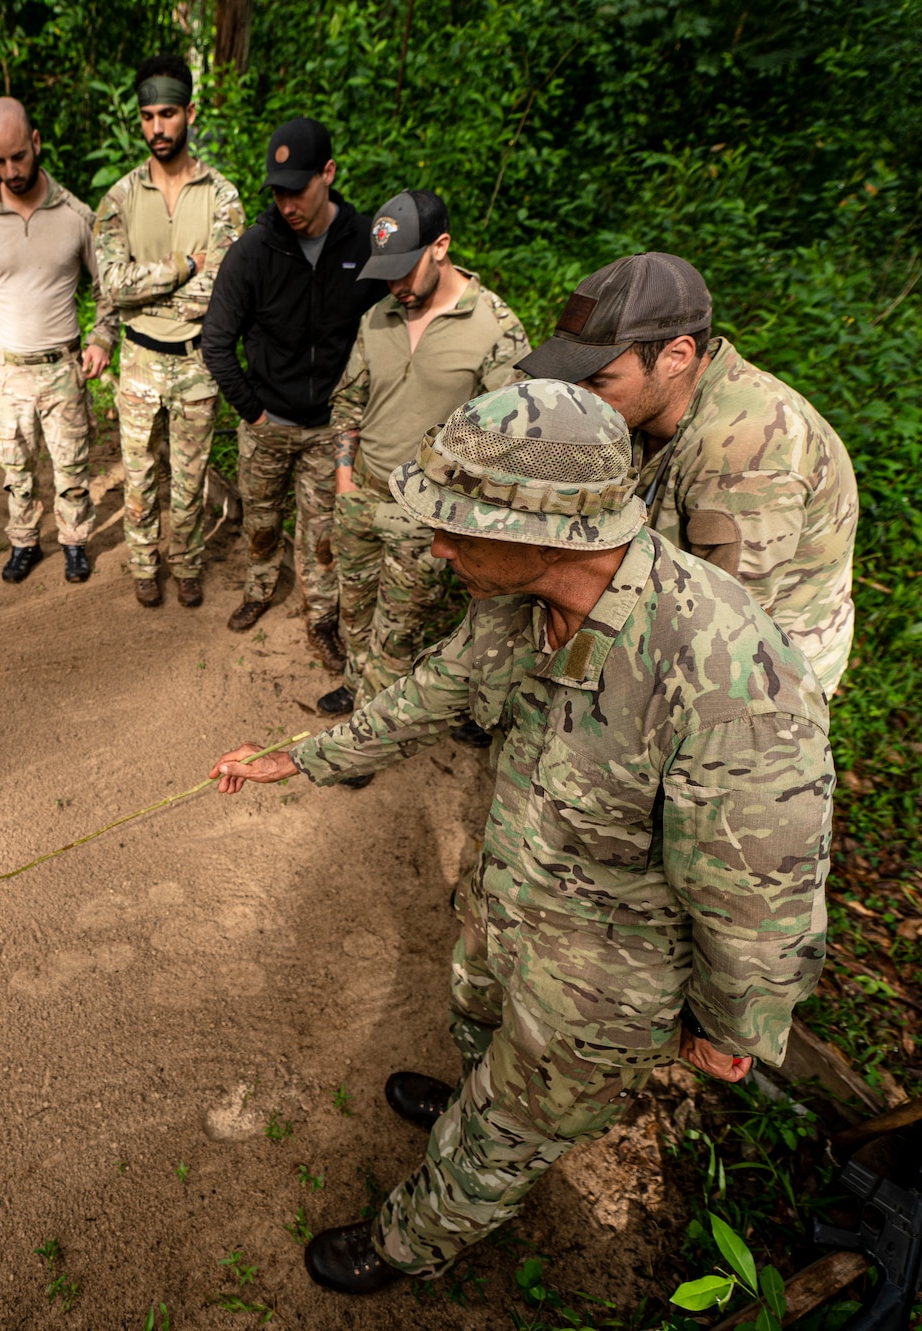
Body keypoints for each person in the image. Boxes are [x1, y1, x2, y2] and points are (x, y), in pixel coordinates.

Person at [209, 380, 832, 1294]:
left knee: (508, 1133)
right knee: (474, 1015)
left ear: (552, 533)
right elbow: (434, 694)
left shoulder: (728, 674)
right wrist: (303, 758)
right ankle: (470, 1093)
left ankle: (407, 1241)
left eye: (458, 526)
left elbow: (759, 901)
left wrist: (733, 1026)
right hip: (509, 898)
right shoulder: (514, 598)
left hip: (600, 987)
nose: (436, 544)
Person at [518, 252, 858, 693]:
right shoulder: (642, 407)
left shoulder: (748, 455)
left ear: (677, 356)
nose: (579, 398)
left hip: (759, 672)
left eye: (598, 381)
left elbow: (724, 626)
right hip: (664, 602)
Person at [322, 189, 529, 764]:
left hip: (425, 513)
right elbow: (349, 400)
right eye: (382, 273)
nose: (393, 286)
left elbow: (509, 439)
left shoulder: (495, 328)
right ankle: (356, 685)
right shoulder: (378, 316)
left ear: (441, 247)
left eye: (402, 270)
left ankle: (364, 739)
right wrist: (343, 478)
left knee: (398, 629)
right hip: (361, 495)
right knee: (355, 609)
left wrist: (456, 511)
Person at [201, 117, 383, 667]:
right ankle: (258, 590)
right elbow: (216, 343)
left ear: (328, 173)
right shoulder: (252, 253)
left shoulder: (365, 243)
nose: (286, 204)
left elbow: (390, 327)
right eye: (277, 191)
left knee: (323, 535)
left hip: (331, 427)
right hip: (268, 424)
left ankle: (321, 620)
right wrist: (253, 412)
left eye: (297, 190)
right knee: (260, 523)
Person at [93, 56, 244, 609]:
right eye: (148, 116)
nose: (158, 128)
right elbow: (111, 285)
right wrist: (183, 266)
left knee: (189, 478)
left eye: (169, 115)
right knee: (138, 478)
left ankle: (185, 563)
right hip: (137, 362)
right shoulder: (120, 198)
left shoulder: (223, 196)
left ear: (190, 114)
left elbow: (225, 286)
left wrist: (148, 288)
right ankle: (142, 563)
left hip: (197, 360)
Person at [0, 98, 118, 587]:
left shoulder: (76, 216)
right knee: (16, 471)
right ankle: (24, 542)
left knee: (72, 466)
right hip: (8, 373)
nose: (11, 169)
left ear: (37, 142)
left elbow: (108, 286)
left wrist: (102, 338)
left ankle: (74, 543)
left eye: (20, 156)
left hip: (63, 368)